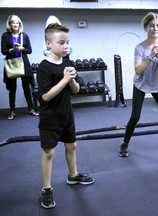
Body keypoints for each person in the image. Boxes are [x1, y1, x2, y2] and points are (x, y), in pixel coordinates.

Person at [38, 23, 94, 209]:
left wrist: (71, 80)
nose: (65, 46)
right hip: (50, 117)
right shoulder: (44, 68)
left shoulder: (69, 63)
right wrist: (63, 79)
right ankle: (47, 189)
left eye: (67, 42)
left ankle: (73, 175)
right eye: (61, 42)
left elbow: (76, 90)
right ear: (48, 44)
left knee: (72, 145)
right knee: (49, 152)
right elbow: (45, 96)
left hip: (67, 114)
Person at [118, 12, 158, 157]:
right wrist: (151, 56)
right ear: (146, 28)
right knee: (135, 116)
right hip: (140, 85)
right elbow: (138, 70)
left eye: (157, 26)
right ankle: (125, 144)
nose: (155, 28)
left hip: (157, 85)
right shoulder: (139, 48)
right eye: (151, 26)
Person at [1, 15, 38, 120]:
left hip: (24, 63)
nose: (15, 25)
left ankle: (31, 109)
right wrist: (11, 50)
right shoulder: (5, 35)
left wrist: (22, 49)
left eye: (17, 23)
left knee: (26, 88)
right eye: (13, 23)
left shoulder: (24, 35)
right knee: (12, 89)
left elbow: (29, 50)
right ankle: (12, 111)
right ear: (10, 24)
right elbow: (3, 51)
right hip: (12, 64)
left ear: (19, 24)